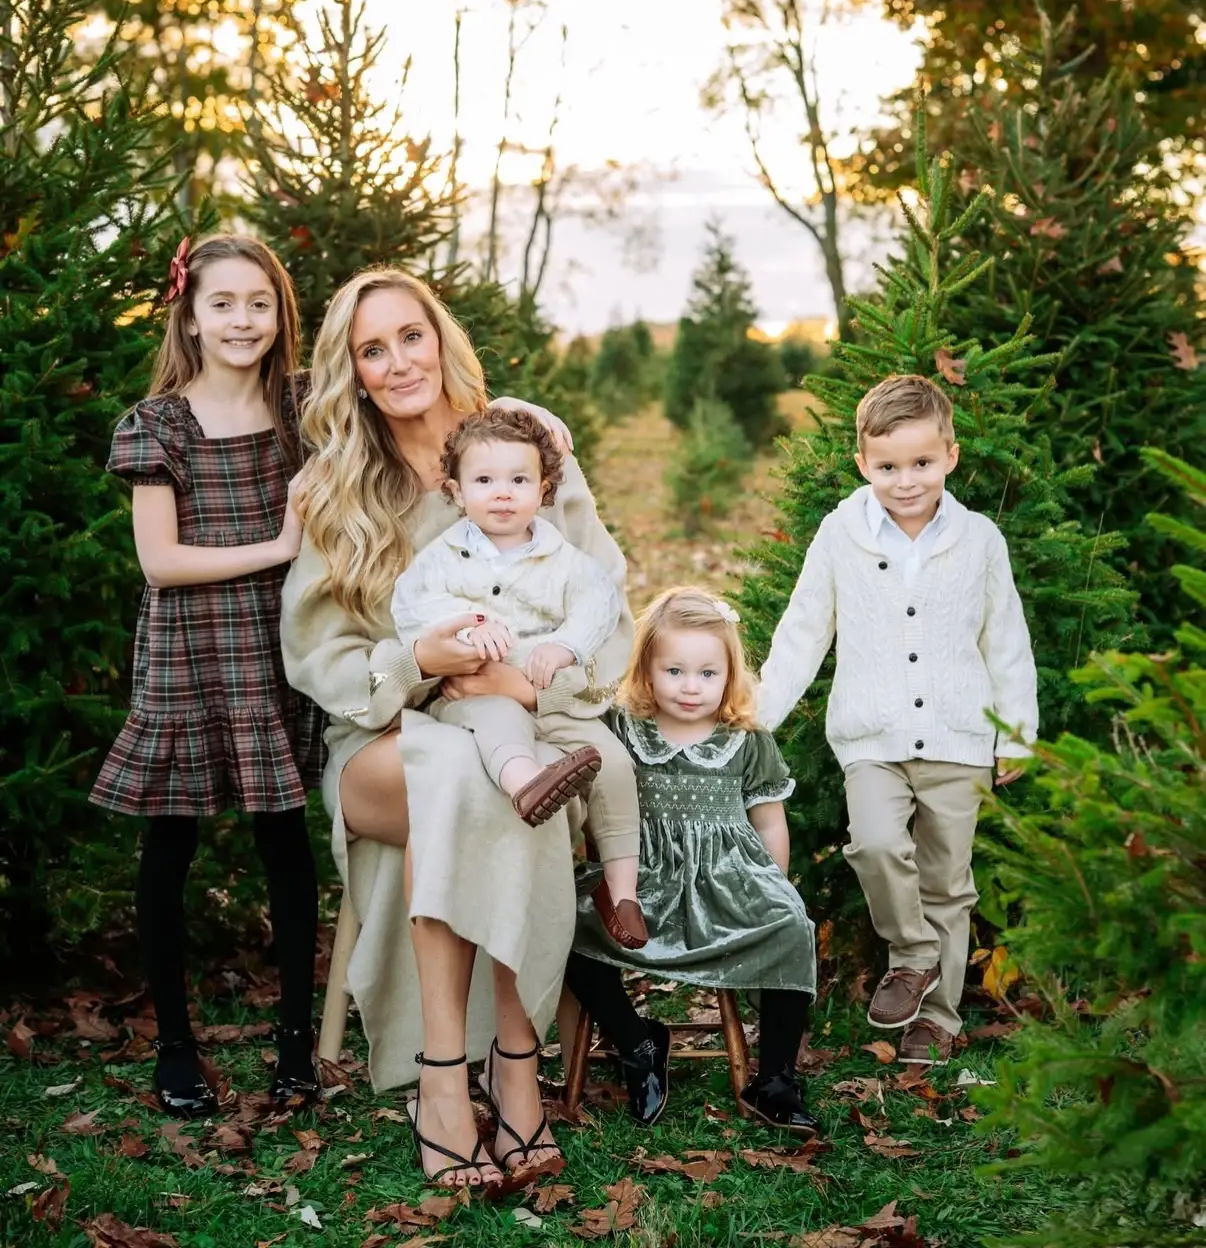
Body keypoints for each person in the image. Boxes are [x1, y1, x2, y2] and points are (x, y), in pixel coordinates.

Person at [280, 268, 635, 1193]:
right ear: (352, 373)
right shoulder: (336, 489)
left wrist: (535, 674)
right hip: (381, 744)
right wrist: (420, 663)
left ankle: (471, 1073)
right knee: (458, 767)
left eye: (410, 335)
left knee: (486, 777)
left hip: (520, 728)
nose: (398, 362)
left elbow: (606, 601)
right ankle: (480, 1074)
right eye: (372, 349)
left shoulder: (525, 447)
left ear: (440, 337)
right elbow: (318, 657)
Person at [91, 234, 325, 1118]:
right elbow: (159, 562)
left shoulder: (304, 409)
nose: (242, 320)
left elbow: (420, 414)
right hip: (191, 649)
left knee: (284, 843)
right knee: (171, 845)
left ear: (281, 316)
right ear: (190, 312)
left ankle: (295, 1045)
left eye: (260, 304)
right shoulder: (158, 424)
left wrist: (540, 420)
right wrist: (278, 545)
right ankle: (177, 1049)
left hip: (279, 649)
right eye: (223, 302)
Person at [756, 374, 1038, 1065]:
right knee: (877, 844)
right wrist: (755, 717)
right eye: (887, 467)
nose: (905, 481)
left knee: (948, 881)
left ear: (950, 455)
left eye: (920, 463)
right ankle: (911, 954)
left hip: (959, 738)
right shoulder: (840, 533)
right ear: (863, 464)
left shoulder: (979, 539)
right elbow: (802, 631)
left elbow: (1005, 638)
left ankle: (935, 1020)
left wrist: (1017, 733)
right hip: (870, 737)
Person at [565, 587, 819, 1134]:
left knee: (792, 925)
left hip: (728, 877)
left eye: (708, 674)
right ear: (647, 671)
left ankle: (774, 1076)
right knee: (569, 926)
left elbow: (769, 818)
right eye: (674, 670)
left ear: (729, 676)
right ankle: (636, 1040)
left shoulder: (745, 739)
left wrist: (777, 882)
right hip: (644, 878)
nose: (690, 686)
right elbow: (599, 805)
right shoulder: (624, 728)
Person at [391, 406, 645, 947]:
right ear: (457, 493)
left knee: (615, 762)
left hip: (548, 696)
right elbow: (411, 604)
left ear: (544, 490)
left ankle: (622, 892)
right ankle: (526, 782)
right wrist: (464, 629)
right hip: (475, 689)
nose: (501, 493)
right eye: (484, 481)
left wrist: (564, 645)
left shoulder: (562, 558)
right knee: (498, 718)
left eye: (518, 480)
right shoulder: (443, 557)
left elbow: (598, 601)